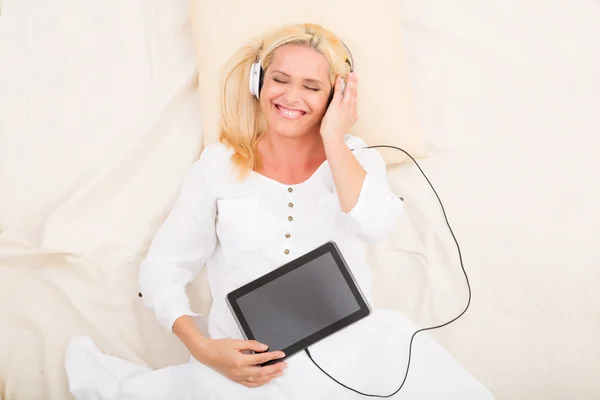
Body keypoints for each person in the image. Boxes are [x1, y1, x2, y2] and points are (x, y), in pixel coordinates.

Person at [65, 23, 495, 399]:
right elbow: (162, 268)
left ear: (336, 95)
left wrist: (334, 137)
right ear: (258, 82)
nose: (292, 97)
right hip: (249, 367)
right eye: (280, 80)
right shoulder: (218, 165)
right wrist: (202, 347)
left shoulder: (357, 159)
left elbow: (373, 223)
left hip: (357, 355)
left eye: (312, 87)